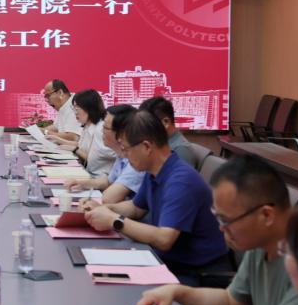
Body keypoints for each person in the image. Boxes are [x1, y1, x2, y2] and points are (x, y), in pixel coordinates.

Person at [119, 157, 298, 305]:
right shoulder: (261, 245)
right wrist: (178, 292)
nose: (220, 228)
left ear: (266, 215)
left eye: (226, 220)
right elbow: (231, 303)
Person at [84, 111, 229, 285]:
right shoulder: (154, 170)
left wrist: (114, 220)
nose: (125, 155)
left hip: (195, 274)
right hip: (168, 261)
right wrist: (103, 209)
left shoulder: (181, 181)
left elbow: (164, 239)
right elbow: (136, 208)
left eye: (126, 149)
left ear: (146, 147)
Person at [66, 104, 144, 205]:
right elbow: (108, 181)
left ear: (122, 133)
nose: (101, 131)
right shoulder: (121, 155)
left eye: (105, 127)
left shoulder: (137, 160)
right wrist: (82, 183)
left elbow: (109, 198)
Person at [50, 89, 116, 177]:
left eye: (77, 108)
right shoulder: (88, 125)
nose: (75, 113)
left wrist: (75, 149)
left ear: (89, 108)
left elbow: (93, 160)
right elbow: (81, 145)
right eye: (74, 108)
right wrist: (58, 139)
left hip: (98, 176)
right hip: (90, 173)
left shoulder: (100, 129)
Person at [139, 96, 197, 167]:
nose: (144, 130)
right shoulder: (163, 145)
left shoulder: (181, 152)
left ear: (166, 122)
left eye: (148, 125)